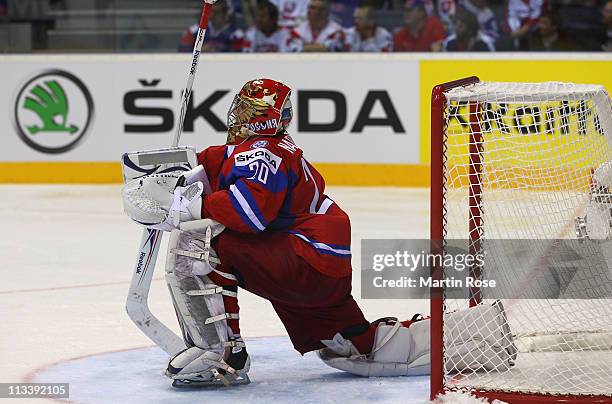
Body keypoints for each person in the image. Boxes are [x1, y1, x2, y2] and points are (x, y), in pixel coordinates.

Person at [121, 78, 517, 387]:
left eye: (247, 107)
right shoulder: (261, 148)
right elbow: (208, 163)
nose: (237, 112)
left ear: (262, 117)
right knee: (351, 349)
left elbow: (251, 212)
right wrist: (155, 172)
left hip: (306, 260)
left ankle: (220, 355)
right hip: (315, 262)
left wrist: (180, 205)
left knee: (196, 244)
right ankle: (481, 333)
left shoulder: (264, 151)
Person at [178, 0, 244, 52]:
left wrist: (220, 49)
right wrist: (199, 50)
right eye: (211, 12)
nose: (212, 15)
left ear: (225, 14)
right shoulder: (195, 30)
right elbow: (183, 48)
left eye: (217, 12)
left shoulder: (236, 33)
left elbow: (242, 53)